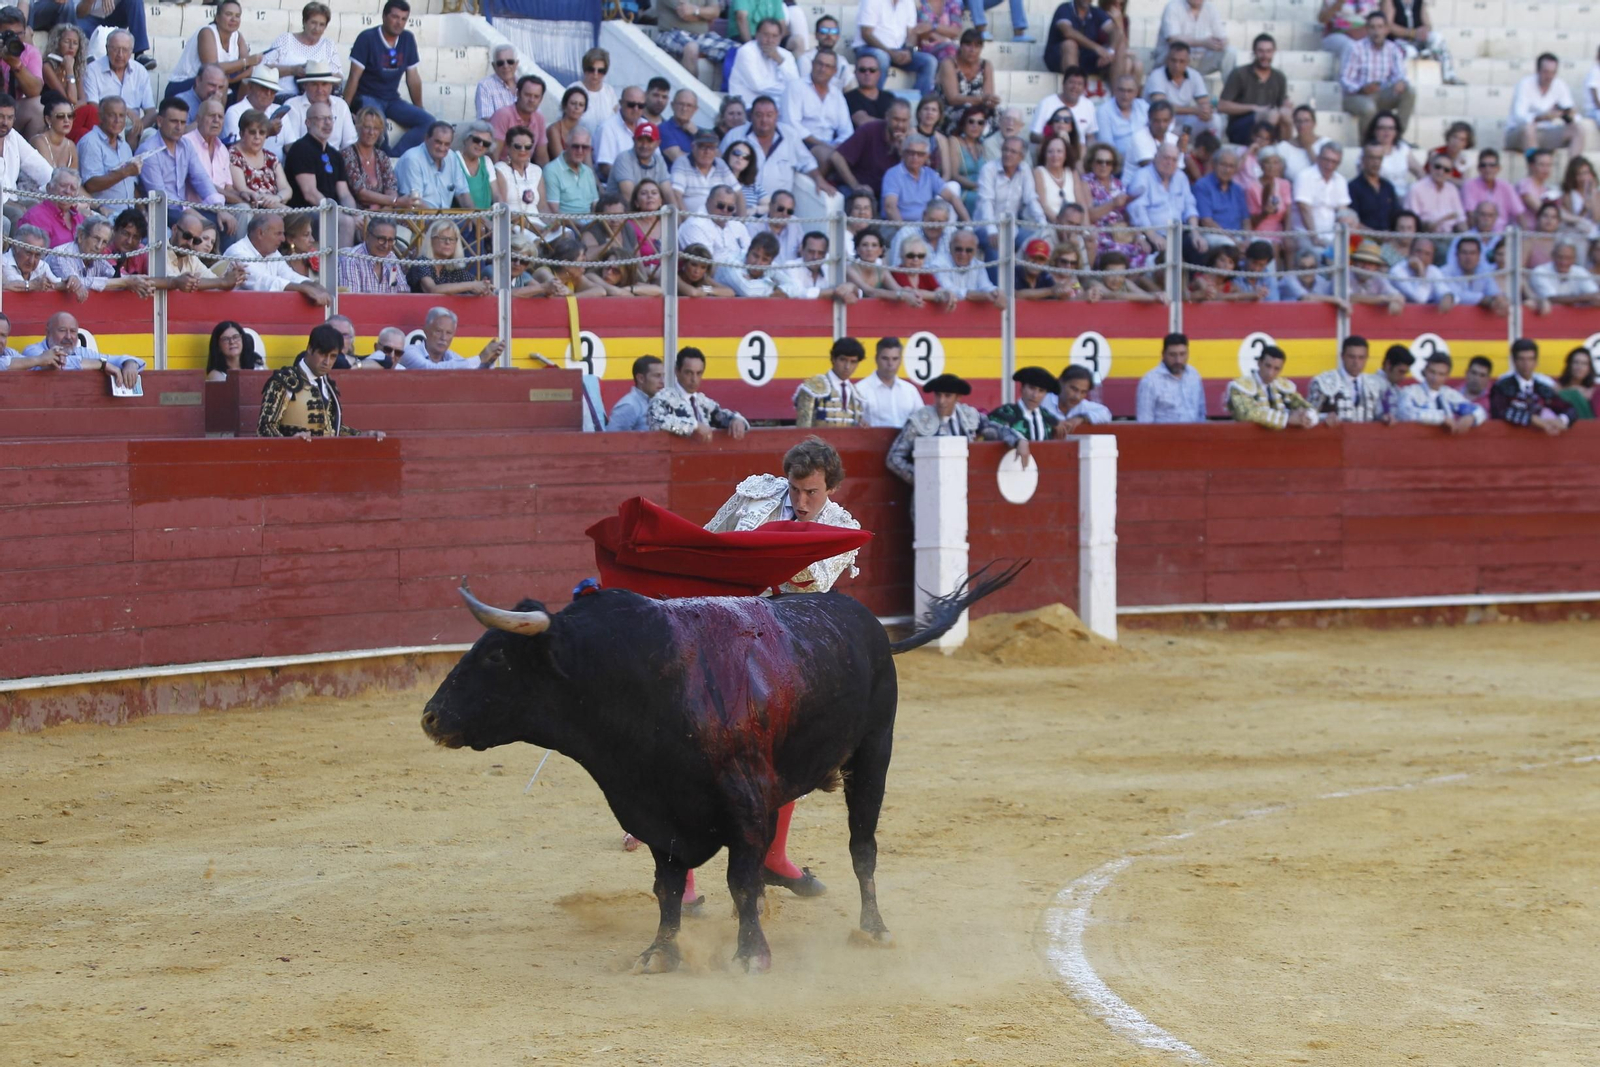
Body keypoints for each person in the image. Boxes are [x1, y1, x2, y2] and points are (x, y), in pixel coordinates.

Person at [885, 372, 1025, 483]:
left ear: (958, 397)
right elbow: (894, 458)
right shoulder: (920, 420)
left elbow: (996, 429)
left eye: (947, 396)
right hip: (928, 495)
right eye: (938, 395)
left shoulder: (968, 416)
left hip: (963, 490)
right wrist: (922, 478)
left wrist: (1018, 440)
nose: (941, 401)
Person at [258, 325, 386, 440]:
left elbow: (331, 429)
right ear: (310, 349)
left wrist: (360, 436)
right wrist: (291, 443)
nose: (327, 362)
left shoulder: (328, 384)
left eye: (333, 356)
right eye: (323, 354)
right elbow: (265, 428)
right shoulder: (285, 381)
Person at [344, 0, 433, 155]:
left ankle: (395, 156)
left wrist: (418, 108)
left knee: (429, 122)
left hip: (392, 99)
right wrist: (344, 108)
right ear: (384, 16)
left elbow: (413, 78)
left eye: (404, 19)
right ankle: (384, 157)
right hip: (367, 96)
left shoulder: (407, 39)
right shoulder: (367, 38)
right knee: (378, 125)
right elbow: (353, 77)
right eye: (395, 17)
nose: (399, 23)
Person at [141, 98, 229, 230]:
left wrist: (219, 208)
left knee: (228, 222)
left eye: (183, 122)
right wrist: (193, 214)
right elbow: (161, 197)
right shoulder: (148, 151)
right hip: (162, 211)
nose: (179, 127)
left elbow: (201, 178)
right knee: (207, 227)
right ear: (159, 121)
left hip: (184, 208)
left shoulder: (186, 145)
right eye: (174, 122)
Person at [220, 214, 330, 304]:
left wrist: (314, 286)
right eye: (278, 234)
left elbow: (289, 275)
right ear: (260, 233)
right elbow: (262, 282)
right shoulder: (237, 252)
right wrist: (304, 289)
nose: (283, 239)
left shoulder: (272, 252)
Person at [16, 311, 143, 387]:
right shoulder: (32, 351)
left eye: (73, 332)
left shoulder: (81, 352)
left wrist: (130, 363)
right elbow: (59, 363)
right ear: (48, 332)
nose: (69, 337)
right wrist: (101, 364)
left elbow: (114, 360)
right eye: (62, 331)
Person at [648, 346, 749, 439]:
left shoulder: (704, 403)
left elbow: (723, 417)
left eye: (699, 373)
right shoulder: (664, 399)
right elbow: (656, 423)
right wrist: (694, 426)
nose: (694, 379)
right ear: (677, 371)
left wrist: (737, 420)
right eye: (689, 373)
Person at [1340, 13, 1415, 137]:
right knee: (1368, 107)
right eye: (1373, 27)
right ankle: (1367, 145)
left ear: (1386, 29)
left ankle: (1397, 138)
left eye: (1380, 27)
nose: (1377, 31)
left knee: (1409, 91)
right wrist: (1362, 89)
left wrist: (1401, 82)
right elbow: (1345, 79)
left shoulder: (1393, 49)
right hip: (1356, 96)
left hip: (1381, 94)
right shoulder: (1355, 48)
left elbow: (1400, 74)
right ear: (1367, 29)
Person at [169, 0, 260, 98]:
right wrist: (246, 62)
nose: (234, 19)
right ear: (217, 17)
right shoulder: (207, 32)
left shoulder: (237, 36)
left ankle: (239, 112)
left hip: (216, 82)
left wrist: (234, 76)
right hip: (185, 84)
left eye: (237, 16)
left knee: (250, 83)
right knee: (221, 84)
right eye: (229, 14)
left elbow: (248, 69)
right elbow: (212, 69)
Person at [828, 100, 911, 199]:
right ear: (887, 117)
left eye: (904, 121)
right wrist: (855, 186)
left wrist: (903, 153)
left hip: (887, 194)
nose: (900, 125)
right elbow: (837, 157)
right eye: (896, 120)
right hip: (858, 190)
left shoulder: (911, 140)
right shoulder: (870, 130)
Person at [853, 0, 937, 95]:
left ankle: (919, 104)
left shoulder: (908, 2)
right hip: (868, 48)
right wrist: (891, 53)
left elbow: (911, 32)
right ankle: (874, 102)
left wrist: (909, 50)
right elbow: (866, 34)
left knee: (929, 61)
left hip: (897, 50)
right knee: (882, 58)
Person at [789, 48, 853, 173]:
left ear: (834, 71)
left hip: (832, 144)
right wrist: (823, 145)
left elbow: (846, 129)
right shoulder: (796, 87)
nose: (822, 69)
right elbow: (793, 125)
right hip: (803, 144)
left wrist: (838, 145)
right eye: (819, 64)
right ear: (812, 64)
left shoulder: (837, 94)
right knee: (825, 155)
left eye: (828, 66)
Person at [1490, 338, 1572, 433]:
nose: (1526, 364)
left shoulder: (1542, 388)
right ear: (1514, 361)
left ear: (1536, 362)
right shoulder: (1502, 386)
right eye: (1521, 359)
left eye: (1530, 359)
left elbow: (1569, 409)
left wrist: (1560, 420)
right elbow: (1501, 412)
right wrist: (1533, 419)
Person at [1508, 52, 1584, 155]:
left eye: (1553, 72)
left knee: (1577, 129)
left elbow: (1572, 113)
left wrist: (1567, 114)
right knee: (1529, 128)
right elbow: (1519, 117)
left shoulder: (1560, 85)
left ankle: (1572, 169)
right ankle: (1535, 166)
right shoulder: (1525, 85)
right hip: (1518, 134)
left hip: (1546, 132)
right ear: (1537, 71)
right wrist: (1541, 117)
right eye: (1546, 72)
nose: (1549, 76)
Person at [81, 31, 153, 138]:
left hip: (134, 124)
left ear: (131, 51)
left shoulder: (140, 71)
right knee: (117, 131)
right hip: (108, 122)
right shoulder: (93, 70)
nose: (120, 54)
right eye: (115, 49)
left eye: (125, 50)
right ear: (107, 49)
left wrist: (136, 131)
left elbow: (151, 111)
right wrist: (126, 111)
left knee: (152, 136)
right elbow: (93, 105)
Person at [1228, 345, 1317, 429]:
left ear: (1281, 369)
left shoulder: (1283, 387)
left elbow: (1306, 406)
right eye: (1268, 366)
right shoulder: (1240, 386)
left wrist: (1306, 416)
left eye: (1276, 368)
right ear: (1259, 363)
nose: (1270, 373)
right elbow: (1245, 414)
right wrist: (1287, 419)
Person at [1144, 42, 1218, 140]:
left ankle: (1210, 149)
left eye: (1181, 61)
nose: (1176, 65)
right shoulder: (1156, 76)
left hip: (1183, 124)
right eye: (1173, 60)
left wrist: (1206, 112)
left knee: (1215, 119)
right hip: (1159, 123)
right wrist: (1195, 110)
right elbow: (1162, 107)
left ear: (1188, 62)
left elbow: (1204, 103)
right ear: (1167, 60)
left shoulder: (1194, 75)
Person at [1395, 352, 1485, 432]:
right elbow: (1404, 413)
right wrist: (1440, 418)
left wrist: (1471, 417)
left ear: (1447, 376)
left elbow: (1479, 410)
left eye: (1441, 374)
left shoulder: (1449, 395)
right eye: (1432, 372)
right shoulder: (1411, 392)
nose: (1435, 378)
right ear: (1425, 370)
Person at [280, 62, 358, 154]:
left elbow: (350, 143)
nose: (320, 90)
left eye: (324, 84)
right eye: (314, 84)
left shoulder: (341, 105)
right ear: (305, 85)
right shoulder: (292, 105)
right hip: (304, 160)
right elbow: (291, 145)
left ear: (331, 86)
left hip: (336, 160)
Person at [397, 307, 505, 371]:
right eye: (438, 331)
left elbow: (472, 375)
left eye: (449, 333)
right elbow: (431, 370)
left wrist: (488, 361)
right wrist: (480, 358)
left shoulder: (452, 356)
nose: (443, 338)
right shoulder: (410, 352)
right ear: (426, 330)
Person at [1293, 142, 1353, 255]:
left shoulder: (1340, 180)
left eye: (1334, 162)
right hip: (1306, 235)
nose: (1329, 165)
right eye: (1326, 160)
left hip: (1332, 235)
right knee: (1321, 254)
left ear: (1339, 163)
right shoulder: (1305, 176)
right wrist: (1314, 237)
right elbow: (1304, 208)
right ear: (1318, 158)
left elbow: (1343, 210)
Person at [794, 337, 867, 427]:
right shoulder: (812, 388)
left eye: (853, 362)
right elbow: (803, 427)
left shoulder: (857, 395)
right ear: (833, 359)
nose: (847, 366)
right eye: (843, 360)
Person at [1044, 0, 1124, 80]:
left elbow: (1115, 31)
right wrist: (1097, 48)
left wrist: (1110, 52)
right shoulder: (1064, 8)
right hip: (1059, 57)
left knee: (1120, 47)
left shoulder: (1096, 12)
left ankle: (1117, 91)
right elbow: (1068, 32)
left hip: (1086, 58)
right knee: (1070, 44)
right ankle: (1074, 86)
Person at [1136, 332, 1206, 423]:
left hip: (1194, 435)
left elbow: (1201, 413)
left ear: (1188, 353)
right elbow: (1144, 421)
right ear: (1163, 354)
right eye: (1173, 355)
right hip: (1163, 436)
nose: (1178, 360)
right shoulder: (1150, 381)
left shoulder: (1193, 375)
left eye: (1182, 354)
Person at [651, 0, 735, 75]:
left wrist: (696, 10)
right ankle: (691, 91)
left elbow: (715, 12)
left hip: (701, 36)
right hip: (671, 33)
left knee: (736, 49)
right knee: (691, 47)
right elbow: (685, 12)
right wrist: (705, 15)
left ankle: (729, 90)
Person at [3, 222, 84, 298]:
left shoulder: (42, 266)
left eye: (37, 255)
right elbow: (5, 285)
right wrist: (32, 285)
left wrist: (71, 281)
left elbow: (55, 284)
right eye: (28, 253)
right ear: (15, 247)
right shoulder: (2, 262)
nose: (31, 261)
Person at [856, 337, 923, 428]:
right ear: (876, 359)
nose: (890, 364)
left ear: (900, 361)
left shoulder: (910, 391)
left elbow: (922, 422)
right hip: (872, 442)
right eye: (885, 358)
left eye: (895, 359)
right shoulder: (860, 390)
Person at [987, 366, 1063, 440]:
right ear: (1022, 388)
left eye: (1041, 391)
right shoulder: (1004, 413)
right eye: (1031, 388)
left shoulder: (1047, 417)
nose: (1035, 395)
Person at [16, 167, 85, 248]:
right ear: (49, 188)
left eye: (73, 188)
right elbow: (33, 256)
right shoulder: (35, 216)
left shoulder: (80, 218)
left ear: (76, 195)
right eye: (63, 185)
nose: (68, 191)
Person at [1438, 235, 1507, 315]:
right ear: (1456, 255)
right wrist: (1485, 300)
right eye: (1464, 253)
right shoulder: (1445, 271)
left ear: (1479, 256)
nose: (1468, 257)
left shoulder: (1484, 271)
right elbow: (1458, 295)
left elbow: (1493, 292)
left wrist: (1500, 300)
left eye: (1472, 253)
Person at [337, 217, 406, 294]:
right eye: (381, 239)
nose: (386, 245)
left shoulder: (391, 257)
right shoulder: (350, 259)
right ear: (367, 236)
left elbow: (402, 291)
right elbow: (352, 300)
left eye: (390, 240)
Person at [1094, 75, 1148, 165]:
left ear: (1136, 92)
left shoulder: (1144, 107)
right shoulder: (1104, 111)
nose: (1125, 95)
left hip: (1145, 159)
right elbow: (1107, 146)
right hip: (1118, 163)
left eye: (1129, 91)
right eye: (1121, 90)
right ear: (1115, 91)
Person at [1529, 240, 1600, 308]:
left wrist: (1588, 298)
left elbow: (1596, 296)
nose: (1564, 262)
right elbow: (1551, 299)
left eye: (1568, 258)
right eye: (1560, 257)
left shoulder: (1580, 271)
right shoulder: (1540, 272)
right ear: (1553, 256)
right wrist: (1585, 298)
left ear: (1574, 259)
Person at [1405, 152, 1465, 232]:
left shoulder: (1452, 189)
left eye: (1446, 170)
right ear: (1430, 167)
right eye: (1437, 167)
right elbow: (1413, 221)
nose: (1441, 172)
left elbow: (1461, 219)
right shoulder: (1416, 188)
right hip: (1424, 235)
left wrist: (1467, 237)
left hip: (1448, 236)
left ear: (1450, 174)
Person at [607, 355, 666, 432]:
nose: (662, 381)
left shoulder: (659, 402)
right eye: (657, 376)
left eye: (663, 376)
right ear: (641, 378)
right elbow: (611, 440)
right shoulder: (629, 406)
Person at [1349, 142, 1399, 232]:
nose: (1376, 162)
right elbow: (1352, 221)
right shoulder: (1353, 187)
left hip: (1390, 241)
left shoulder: (1388, 187)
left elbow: (1396, 216)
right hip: (1363, 241)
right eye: (1372, 157)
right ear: (1363, 159)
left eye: (1379, 158)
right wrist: (1377, 236)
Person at [568, 47, 618, 136]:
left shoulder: (609, 91)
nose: (595, 74)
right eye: (591, 69)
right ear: (584, 69)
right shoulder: (573, 89)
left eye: (600, 71)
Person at [846, 54, 895, 129]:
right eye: (862, 70)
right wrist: (892, 124)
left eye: (872, 70)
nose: (867, 73)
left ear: (879, 74)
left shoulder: (889, 97)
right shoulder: (849, 98)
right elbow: (862, 121)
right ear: (855, 73)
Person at [476, 43, 520, 121]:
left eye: (510, 62)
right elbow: (486, 119)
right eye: (500, 63)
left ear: (516, 64)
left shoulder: (525, 85)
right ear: (494, 66)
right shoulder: (485, 86)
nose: (506, 66)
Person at [1554, 347, 1595, 420]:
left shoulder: (1593, 392)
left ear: (1589, 368)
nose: (1579, 367)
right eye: (1576, 362)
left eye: (1584, 363)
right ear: (1569, 365)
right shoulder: (1556, 387)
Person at [661, 89, 700, 164]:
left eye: (689, 105)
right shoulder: (663, 129)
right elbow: (679, 159)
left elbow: (718, 157)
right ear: (672, 105)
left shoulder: (699, 131)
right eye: (681, 104)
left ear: (695, 109)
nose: (684, 109)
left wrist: (697, 134)